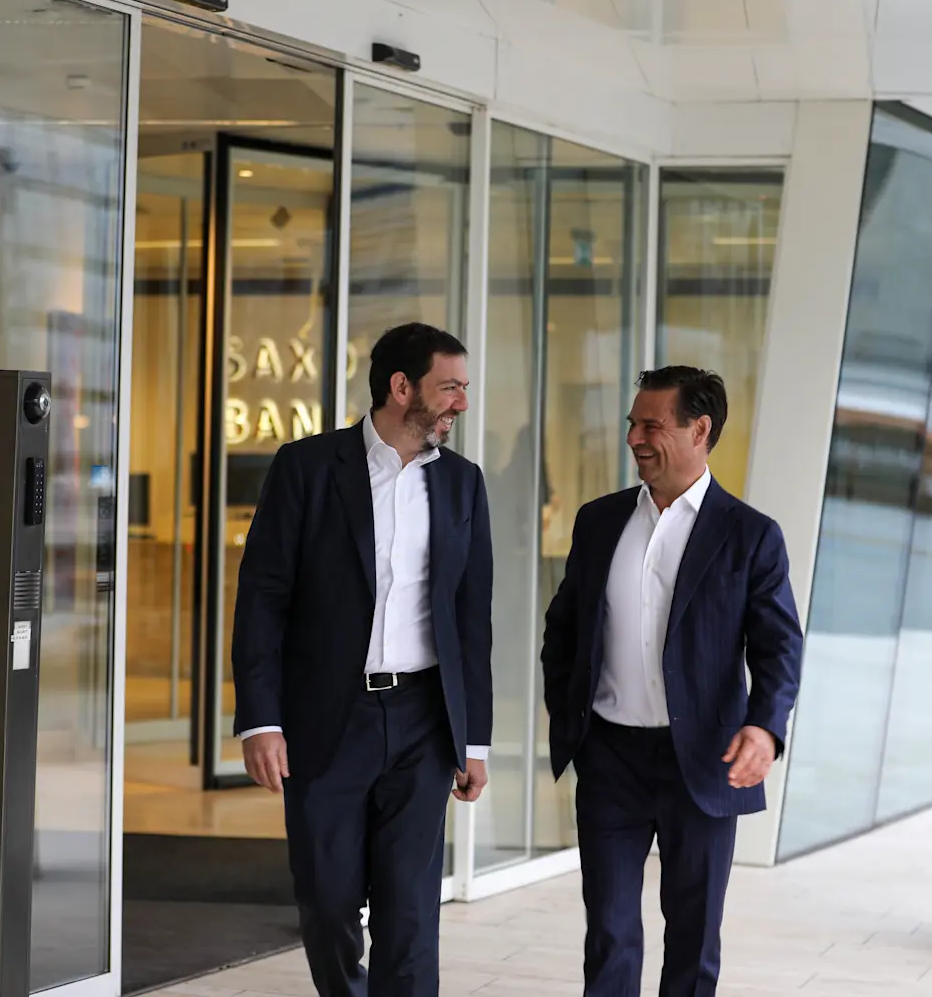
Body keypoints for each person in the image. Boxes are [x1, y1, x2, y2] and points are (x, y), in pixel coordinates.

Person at [231, 322, 494, 997]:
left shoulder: (462, 484)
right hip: (327, 719)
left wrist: (474, 739)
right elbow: (262, 598)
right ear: (401, 387)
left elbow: (471, 620)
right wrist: (261, 720)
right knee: (328, 903)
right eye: (450, 387)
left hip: (424, 720)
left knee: (410, 913)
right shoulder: (308, 467)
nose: (462, 402)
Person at [541, 365, 803, 997]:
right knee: (609, 932)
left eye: (651, 425)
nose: (634, 437)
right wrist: (570, 714)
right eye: (632, 423)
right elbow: (564, 628)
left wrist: (765, 727)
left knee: (693, 936)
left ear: (700, 430)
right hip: (610, 758)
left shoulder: (750, 535)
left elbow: (779, 646)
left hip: (704, 760)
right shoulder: (598, 520)